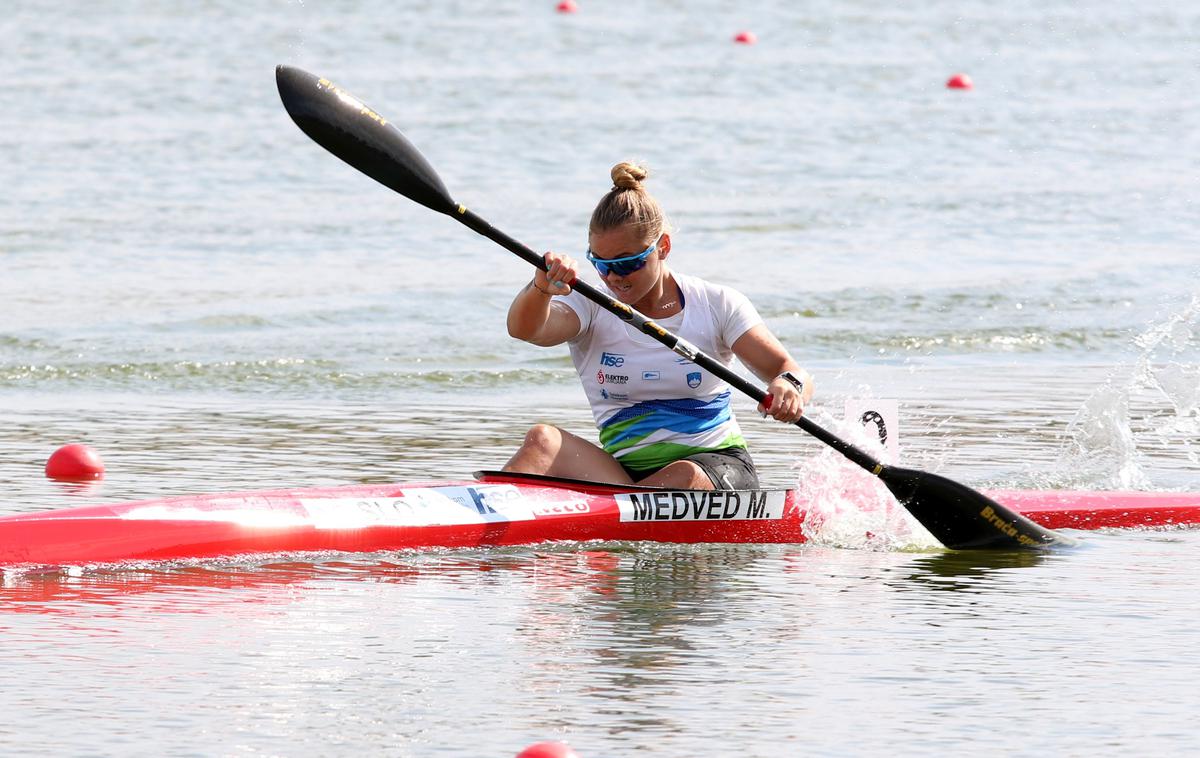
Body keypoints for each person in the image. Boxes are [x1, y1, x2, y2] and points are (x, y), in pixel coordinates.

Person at [503, 162, 813, 490]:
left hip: (715, 467)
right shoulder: (591, 303)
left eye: (627, 263)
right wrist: (540, 289)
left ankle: (612, 517)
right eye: (601, 264)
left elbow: (789, 370)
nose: (613, 278)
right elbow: (527, 330)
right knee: (542, 441)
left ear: (662, 247)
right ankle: (477, 517)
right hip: (624, 476)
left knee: (684, 475)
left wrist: (789, 387)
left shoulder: (716, 303)